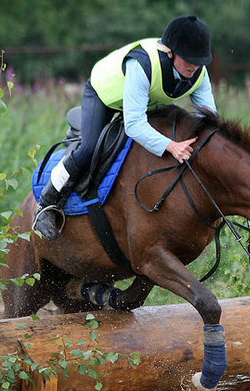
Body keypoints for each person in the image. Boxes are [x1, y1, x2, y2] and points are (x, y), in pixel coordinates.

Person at [32, 14, 218, 240]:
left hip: (147, 101)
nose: (195, 66)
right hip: (105, 94)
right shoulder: (142, 63)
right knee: (90, 148)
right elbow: (134, 124)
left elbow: (209, 121)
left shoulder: (198, 73)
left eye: (200, 61)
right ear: (170, 53)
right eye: (190, 59)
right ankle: (46, 204)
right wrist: (170, 146)